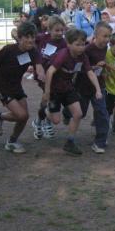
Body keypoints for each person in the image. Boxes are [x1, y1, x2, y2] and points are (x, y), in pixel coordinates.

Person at [41, 27, 102, 156]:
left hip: (68, 88)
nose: (81, 48)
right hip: (54, 90)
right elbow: (50, 71)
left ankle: (70, 142)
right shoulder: (63, 55)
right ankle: (44, 112)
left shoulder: (83, 57)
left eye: (83, 44)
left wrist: (98, 90)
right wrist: (47, 92)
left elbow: (90, 72)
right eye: (77, 45)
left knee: (78, 114)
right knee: (56, 120)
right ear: (68, 44)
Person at [0, 21, 44, 154]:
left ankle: (12, 141)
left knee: (24, 117)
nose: (30, 40)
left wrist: (41, 73)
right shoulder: (9, 50)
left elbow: (39, 65)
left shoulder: (33, 51)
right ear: (19, 38)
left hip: (15, 86)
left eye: (32, 37)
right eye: (27, 37)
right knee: (21, 114)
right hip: (1, 86)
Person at [76, 22, 113, 154]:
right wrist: (95, 66)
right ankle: (67, 114)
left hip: (99, 86)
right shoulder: (87, 50)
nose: (107, 39)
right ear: (96, 36)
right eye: (105, 36)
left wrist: (106, 71)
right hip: (83, 86)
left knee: (102, 112)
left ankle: (100, 141)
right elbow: (80, 68)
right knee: (81, 112)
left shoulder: (106, 48)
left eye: (109, 36)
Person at [31, 15, 67, 139]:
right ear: (49, 29)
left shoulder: (64, 43)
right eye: (57, 30)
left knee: (48, 99)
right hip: (42, 75)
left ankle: (40, 121)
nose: (60, 33)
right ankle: (44, 121)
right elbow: (28, 40)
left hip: (56, 76)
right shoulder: (42, 38)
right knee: (48, 96)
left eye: (62, 30)